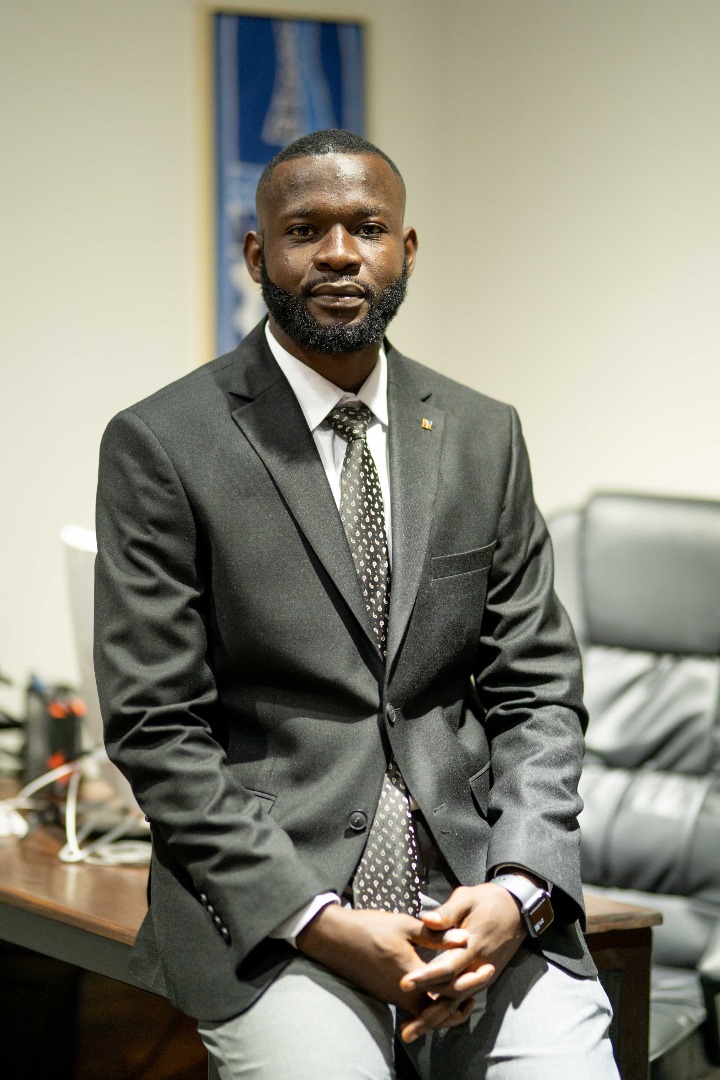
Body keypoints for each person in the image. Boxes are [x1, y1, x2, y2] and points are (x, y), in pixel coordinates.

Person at [94, 129, 619, 1080]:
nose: (339, 253)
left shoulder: (482, 434)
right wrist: (321, 924)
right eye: (306, 230)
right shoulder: (162, 445)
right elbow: (156, 725)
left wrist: (521, 885)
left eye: (368, 227)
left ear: (405, 250)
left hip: (474, 890)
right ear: (259, 255)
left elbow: (539, 691)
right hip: (275, 907)